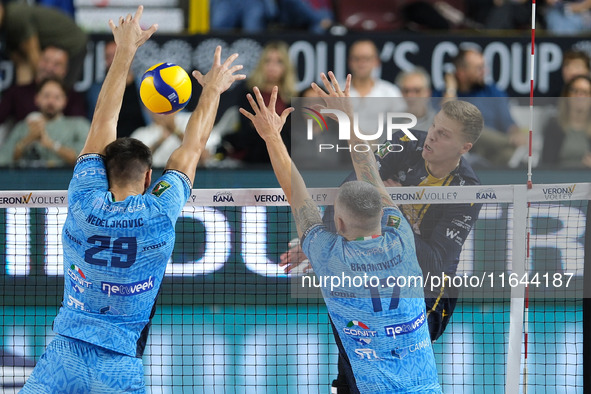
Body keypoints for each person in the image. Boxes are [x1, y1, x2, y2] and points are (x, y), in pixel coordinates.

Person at [20, 7, 245, 392]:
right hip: (119, 363)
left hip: (63, 355)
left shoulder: (85, 198)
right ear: (148, 177)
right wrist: (212, 91)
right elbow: (190, 150)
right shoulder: (158, 210)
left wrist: (124, 51)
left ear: (102, 171)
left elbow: (102, 123)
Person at [240, 72, 442, 392]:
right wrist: (348, 116)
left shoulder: (329, 255)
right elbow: (369, 170)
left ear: (340, 223)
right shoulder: (401, 235)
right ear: (382, 211)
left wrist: (272, 136)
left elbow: (296, 192)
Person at [285, 96, 484, 394]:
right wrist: (320, 238)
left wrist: (394, 208)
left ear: (464, 147)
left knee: (383, 344)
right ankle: (345, 387)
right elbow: (353, 190)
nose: (432, 135)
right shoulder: (403, 141)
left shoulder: (467, 190)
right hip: (387, 269)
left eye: (444, 134)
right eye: (434, 126)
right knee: (349, 303)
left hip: (432, 293)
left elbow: (434, 262)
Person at [436, 47, 525, 166]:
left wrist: (516, 133)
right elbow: (444, 124)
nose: (485, 71)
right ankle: (508, 143)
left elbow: (508, 123)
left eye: (484, 66)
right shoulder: (442, 94)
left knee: (508, 153)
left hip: (491, 152)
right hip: (460, 154)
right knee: (468, 127)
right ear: (461, 72)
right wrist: (451, 89)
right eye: (479, 68)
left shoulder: (493, 92)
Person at [219, 40, 297, 164]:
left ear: (286, 66)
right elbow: (246, 128)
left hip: (286, 158)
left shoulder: (292, 97)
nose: (272, 66)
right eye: (268, 60)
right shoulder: (248, 92)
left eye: (279, 62)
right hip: (253, 157)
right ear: (261, 64)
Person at [0, 77, 89, 167]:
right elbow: (4, 159)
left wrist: (51, 144)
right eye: (46, 96)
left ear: (64, 101)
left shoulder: (78, 126)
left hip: (66, 179)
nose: (51, 101)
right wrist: (28, 140)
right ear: (37, 99)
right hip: (26, 179)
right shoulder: (22, 127)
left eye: (56, 97)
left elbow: (87, 159)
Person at [0, 0, 87, 87]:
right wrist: (22, 95)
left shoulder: (15, 15)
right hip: (54, 44)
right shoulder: (5, 27)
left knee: (59, 90)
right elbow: (22, 64)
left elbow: (33, 52)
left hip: (73, 43)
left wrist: (42, 85)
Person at [0, 46, 87, 127]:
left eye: (56, 64)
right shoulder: (17, 92)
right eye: (45, 61)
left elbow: (79, 129)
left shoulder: (74, 97)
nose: (49, 67)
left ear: (65, 71)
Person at [86, 40, 147, 138]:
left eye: (116, 55)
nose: (113, 60)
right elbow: (94, 125)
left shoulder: (146, 85)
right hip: (110, 145)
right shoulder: (96, 90)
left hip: (144, 143)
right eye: (108, 57)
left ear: (131, 56)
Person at [347, 40, 403, 144]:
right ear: (350, 61)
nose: (361, 63)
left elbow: (400, 128)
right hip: (343, 152)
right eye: (356, 58)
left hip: (384, 153)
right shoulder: (336, 92)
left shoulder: (391, 92)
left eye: (367, 59)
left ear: (376, 61)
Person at [541, 75, 591, 168]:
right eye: (575, 91)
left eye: (585, 92)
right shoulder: (554, 126)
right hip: (560, 180)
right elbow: (546, 164)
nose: (580, 96)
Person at [395, 67, 436, 132]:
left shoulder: (442, 124)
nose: (411, 96)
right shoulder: (389, 124)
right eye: (406, 91)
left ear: (427, 93)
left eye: (417, 91)